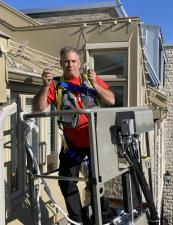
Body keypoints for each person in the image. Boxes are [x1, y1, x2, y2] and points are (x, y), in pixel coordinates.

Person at [33, 46, 115, 224]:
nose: (70, 65)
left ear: (79, 63)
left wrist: (95, 85)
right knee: (66, 182)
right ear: (61, 64)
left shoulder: (90, 79)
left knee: (96, 182)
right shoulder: (55, 84)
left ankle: (98, 218)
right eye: (66, 61)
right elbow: (37, 108)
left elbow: (111, 99)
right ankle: (78, 219)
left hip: (95, 143)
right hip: (72, 146)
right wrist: (45, 87)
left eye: (73, 61)